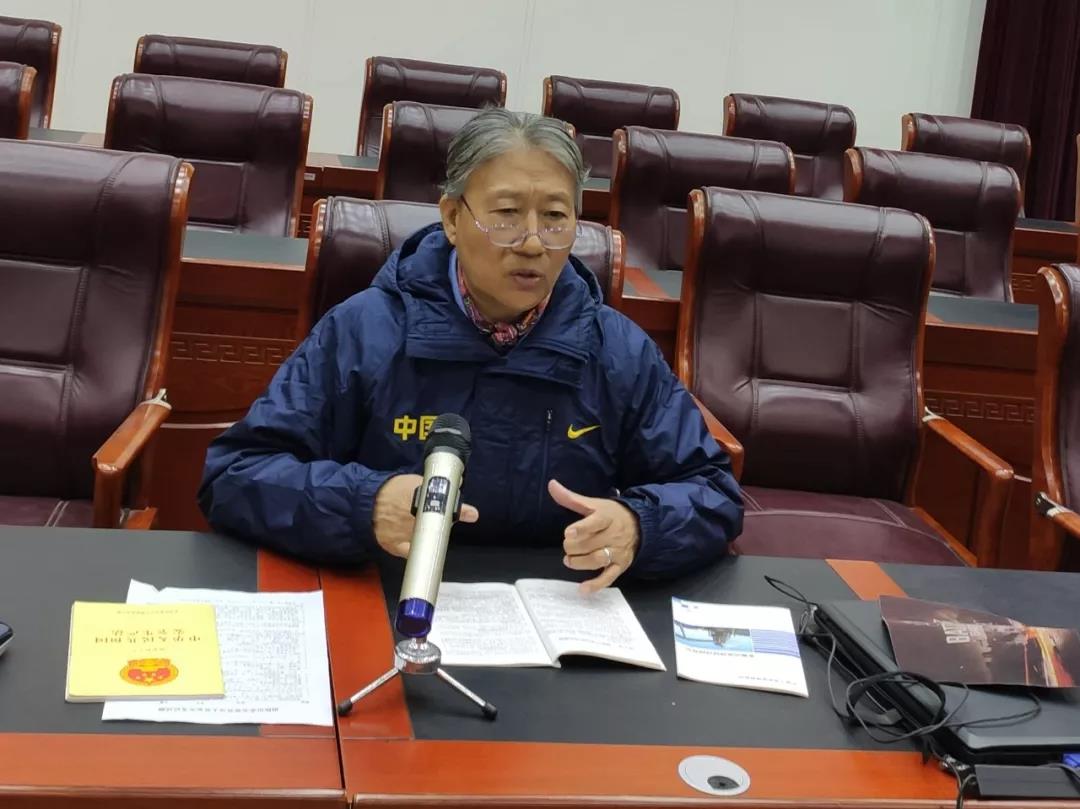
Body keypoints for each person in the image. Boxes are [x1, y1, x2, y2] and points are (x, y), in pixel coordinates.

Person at [198, 107, 742, 593]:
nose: (533, 242)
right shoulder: (363, 332)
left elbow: (712, 492)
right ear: (453, 218)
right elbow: (236, 475)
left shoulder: (617, 350)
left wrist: (640, 526)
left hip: (562, 611)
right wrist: (364, 504)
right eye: (506, 214)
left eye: (556, 217)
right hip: (385, 597)